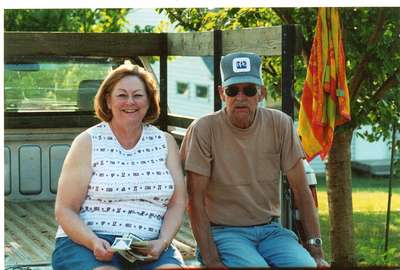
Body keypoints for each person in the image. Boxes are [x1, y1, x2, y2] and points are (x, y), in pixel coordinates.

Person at [180, 52, 329, 268]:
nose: (240, 97)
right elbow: (195, 199)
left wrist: (316, 251)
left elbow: (301, 190)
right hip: (223, 231)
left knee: (306, 265)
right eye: (232, 90)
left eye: (249, 90)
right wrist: (211, 259)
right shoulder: (204, 129)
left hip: (270, 230)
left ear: (261, 94)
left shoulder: (281, 124)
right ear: (222, 93)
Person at [52, 63, 187, 270]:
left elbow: (177, 204)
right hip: (88, 243)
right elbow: (65, 209)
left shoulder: (165, 142)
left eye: (138, 95)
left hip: (149, 245)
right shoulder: (88, 141)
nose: (130, 102)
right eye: (122, 95)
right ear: (108, 100)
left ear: (149, 101)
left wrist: (164, 241)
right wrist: (92, 242)